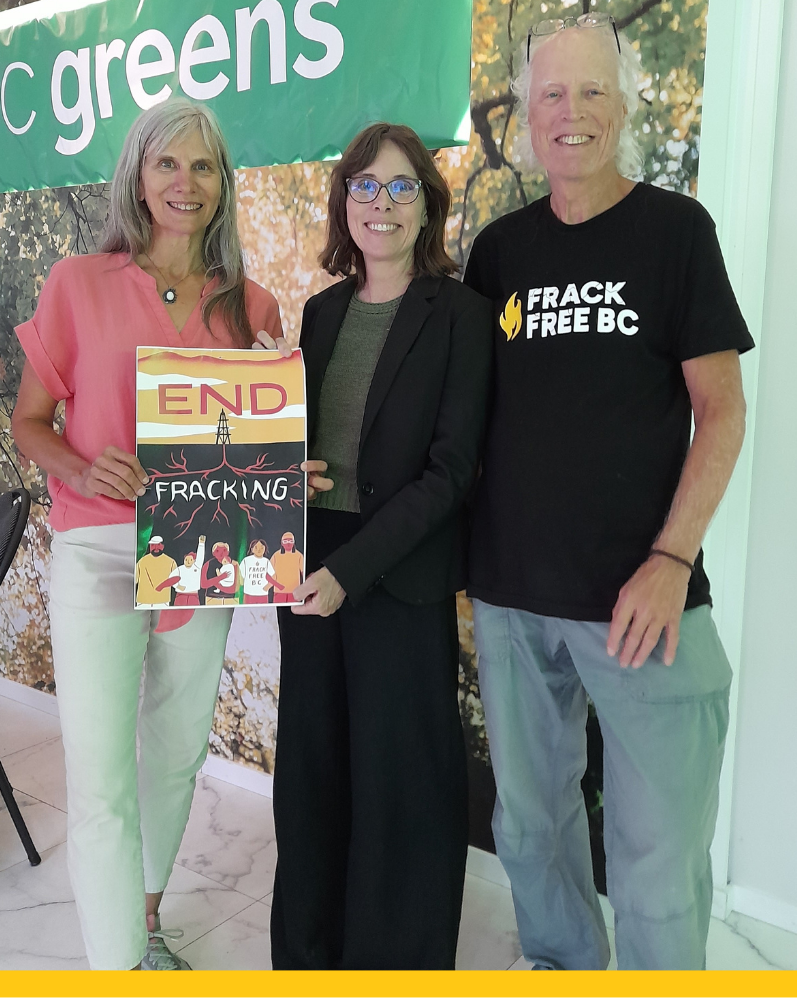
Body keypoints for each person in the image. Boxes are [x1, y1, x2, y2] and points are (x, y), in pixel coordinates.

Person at [463, 16, 755, 971]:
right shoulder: (498, 253)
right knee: (532, 835)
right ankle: (561, 973)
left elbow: (721, 413)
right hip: (511, 603)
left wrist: (672, 562)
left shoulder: (677, 233)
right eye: (552, 94)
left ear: (622, 106)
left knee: (656, 867)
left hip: (644, 605)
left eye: (591, 92)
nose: (571, 113)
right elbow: (460, 414)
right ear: (527, 114)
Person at [11, 98, 283, 972]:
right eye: (168, 163)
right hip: (96, 548)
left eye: (203, 166)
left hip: (203, 550)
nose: (184, 182)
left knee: (174, 758)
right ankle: (118, 970)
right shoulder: (76, 283)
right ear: (137, 173)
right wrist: (83, 467)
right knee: (100, 780)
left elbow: (257, 443)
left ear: (223, 185)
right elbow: (30, 421)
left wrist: (283, 420)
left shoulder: (254, 305)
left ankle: (149, 919)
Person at [259, 123, 493, 969]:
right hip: (311, 574)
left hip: (393, 578)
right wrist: (289, 473)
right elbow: (297, 448)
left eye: (400, 188)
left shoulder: (462, 315)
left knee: (402, 795)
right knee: (314, 784)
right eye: (365, 187)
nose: (381, 204)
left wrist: (349, 573)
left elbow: (450, 472)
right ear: (343, 203)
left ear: (427, 203)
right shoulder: (321, 314)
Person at [157, 534, 207, 606]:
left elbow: (200, 557)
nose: (188, 561)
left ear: (194, 561)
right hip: (181, 596)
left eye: (190, 559)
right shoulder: (179, 569)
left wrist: (201, 544)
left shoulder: (197, 567)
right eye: (186, 559)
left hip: (193, 595)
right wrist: (177, 586)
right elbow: (171, 579)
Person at [135, 536, 176, 607]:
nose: (156, 548)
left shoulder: (171, 562)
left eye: (158, 545)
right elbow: (134, 580)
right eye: (153, 545)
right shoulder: (142, 561)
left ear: (163, 546)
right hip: (143, 602)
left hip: (162, 602)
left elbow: (176, 581)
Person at [238, 539, 282, 603]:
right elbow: (239, 574)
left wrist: (267, 587)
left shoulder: (266, 561)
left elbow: (274, 576)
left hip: (262, 594)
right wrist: (242, 584)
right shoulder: (246, 560)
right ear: (252, 549)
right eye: (256, 547)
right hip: (249, 594)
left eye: (262, 547)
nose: (259, 550)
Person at [270, 531, 304, 604]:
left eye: (290, 541)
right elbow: (269, 572)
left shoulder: (299, 556)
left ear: (294, 542)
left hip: (295, 592)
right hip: (278, 592)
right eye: (285, 541)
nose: (288, 543)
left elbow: (303, 573)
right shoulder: (276, 556)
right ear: (282, 543)